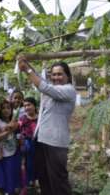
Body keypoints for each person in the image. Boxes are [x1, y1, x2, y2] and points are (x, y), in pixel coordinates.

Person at [18, 56, 76, 195]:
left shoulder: (68, 90)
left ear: (67, 76)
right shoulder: (51, 90)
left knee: (58, 180)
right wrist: (28, 64)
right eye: (54, 74)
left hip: (56, 142)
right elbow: (43, 82)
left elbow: (43, 85)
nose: (56, 77)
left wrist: (26, 69)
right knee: (44, 178)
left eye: (60, 74)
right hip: (42, 139)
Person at [0, 99, 20, 195]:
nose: (6, 110)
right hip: (3, 155)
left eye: (8, 108)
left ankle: (11, 191)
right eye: (3, 108)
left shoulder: (14, 121)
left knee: (12, 176)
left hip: (13, 153)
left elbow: (17, 133)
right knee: (3, 178)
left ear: (11, 109)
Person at [18, 97, 38, 194]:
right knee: (25, 166)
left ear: (34, 106)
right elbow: (18, 132)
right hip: (25, 146)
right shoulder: (22, 119)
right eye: (25, 106)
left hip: (38, 145)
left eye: (29, 105)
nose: (27, 107)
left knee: (36, 165)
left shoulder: (40, 118)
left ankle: (34, 185)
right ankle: (25, 186)